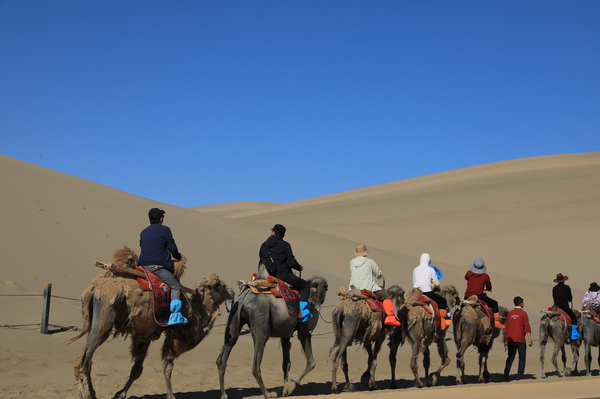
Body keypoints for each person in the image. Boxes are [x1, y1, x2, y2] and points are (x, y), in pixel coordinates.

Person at [138, 208, 187, 325]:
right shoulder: (165, 230)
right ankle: (175, 315)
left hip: (142, 266)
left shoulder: (143, 232)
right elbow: (172, 248)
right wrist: (178, 256)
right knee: (175, 286)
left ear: (149, 219)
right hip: (157, 267)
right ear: (161, 219)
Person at [259, 224, 312, 322]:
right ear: (282, 235)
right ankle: (301, 311)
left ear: (273, 232)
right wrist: (299, 267)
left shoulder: (264, 245)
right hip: (282, 276)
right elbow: (291, 262)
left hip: (266, 276)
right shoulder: (285, 245)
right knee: (305, 285)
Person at [349, 244, 401, 327]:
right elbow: (378, 274)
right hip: (368, 287)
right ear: (365, 253)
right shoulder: (370, 262)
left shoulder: (351, 262)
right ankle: (390, 317)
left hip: (353, 288)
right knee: (386, 296)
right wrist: (380, 274)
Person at [412, 253, 451, 329]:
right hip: (427, 292)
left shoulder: (415, 269)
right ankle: (442, 321)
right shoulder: (430, 270)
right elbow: (436, 283)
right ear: (429, 261)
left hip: (416, 292)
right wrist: (438, 288)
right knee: (442, 301)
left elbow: (414, 282)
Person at [464, 258, 504, 328]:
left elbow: (466, 278)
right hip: (479, 296)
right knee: (495, 303)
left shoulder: (469, 273)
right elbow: (489, 287)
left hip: (467, 296)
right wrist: (488, 289)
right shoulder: (485, 276)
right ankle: (496, 322)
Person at [503, 296, 533, 381]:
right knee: (522, 358)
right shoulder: (524, 314)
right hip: (520, 340)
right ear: (521, 303)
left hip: (510, 339)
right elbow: (527, 327)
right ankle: (519, 375)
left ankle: (506, 372)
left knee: (510, 356)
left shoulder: (510, 313)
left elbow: (506, 327)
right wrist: (530, 339)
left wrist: (505, 340)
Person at [552, 273, 580, 340]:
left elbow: (554, 298)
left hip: (556, 307)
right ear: (563, 280)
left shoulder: (554, 288)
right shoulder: (567, 287)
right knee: (574, 318)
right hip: (564, 307)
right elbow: (570, 298)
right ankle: (574, 335)